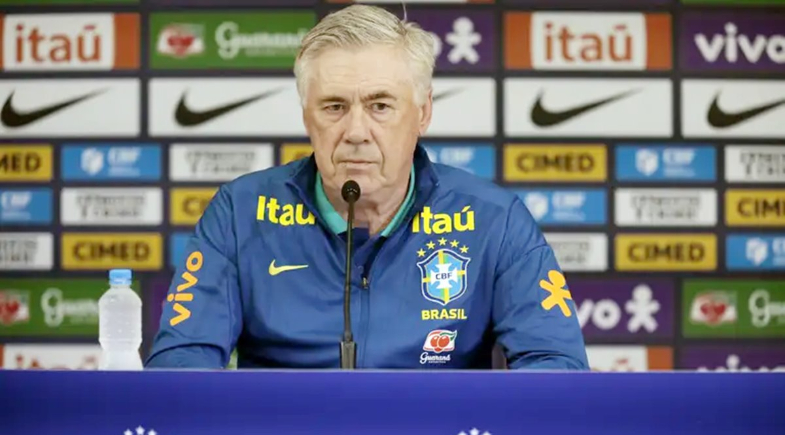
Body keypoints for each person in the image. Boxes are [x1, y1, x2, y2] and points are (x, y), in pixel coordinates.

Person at [145, 5, 589, 370]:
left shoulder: (494, 220)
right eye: (334, 107)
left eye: (380, 106)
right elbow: (180, 366)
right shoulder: (240, 213)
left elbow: (556, 367)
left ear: (422, 113)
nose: (356, 131)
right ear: (306, 116)